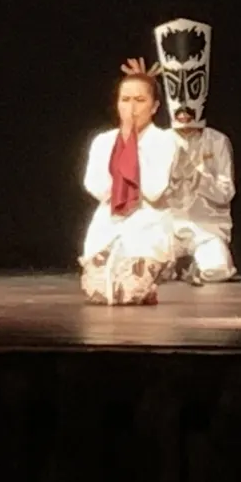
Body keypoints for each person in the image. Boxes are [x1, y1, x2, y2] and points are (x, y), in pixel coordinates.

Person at [80, 60, 180, 305]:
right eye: (125, 100)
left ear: (154, 106)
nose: (131, 108)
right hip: (109, 223)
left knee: (129, 292)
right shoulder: (103, 141)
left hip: (147, 224)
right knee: (102, 293)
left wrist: (132, 148)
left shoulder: (164, 140)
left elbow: (154, 190)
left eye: (140, 100)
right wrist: (121, 146)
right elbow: (95, 185)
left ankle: (154, 279)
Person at [153, 17, 236, 284]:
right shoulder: (160, 141)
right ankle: (174, 267)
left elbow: (226, 193)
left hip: (206, 227)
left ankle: (195, 267)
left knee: (217, 269)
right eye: (177, 86)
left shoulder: (217, 141)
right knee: (143, 269)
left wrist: (201, 177)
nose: (185, 105)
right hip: (167, 226)